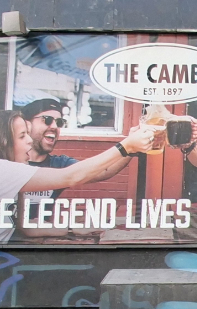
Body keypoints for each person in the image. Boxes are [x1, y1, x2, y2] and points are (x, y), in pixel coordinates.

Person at [0, 110, 153, 244]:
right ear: (3, 141)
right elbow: (71, 177)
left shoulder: (5, 173)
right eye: (22, 136)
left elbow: (26, 228)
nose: (29, 141)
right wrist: (126, 145)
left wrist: (72, 229)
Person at [17, 98, 135, 237]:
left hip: (36, 238)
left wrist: (131, 148)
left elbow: (103, 171)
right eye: (47, 120)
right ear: (27, 125)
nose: (54, 126)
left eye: (59, 122)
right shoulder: (7, 163)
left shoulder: (60, 164)